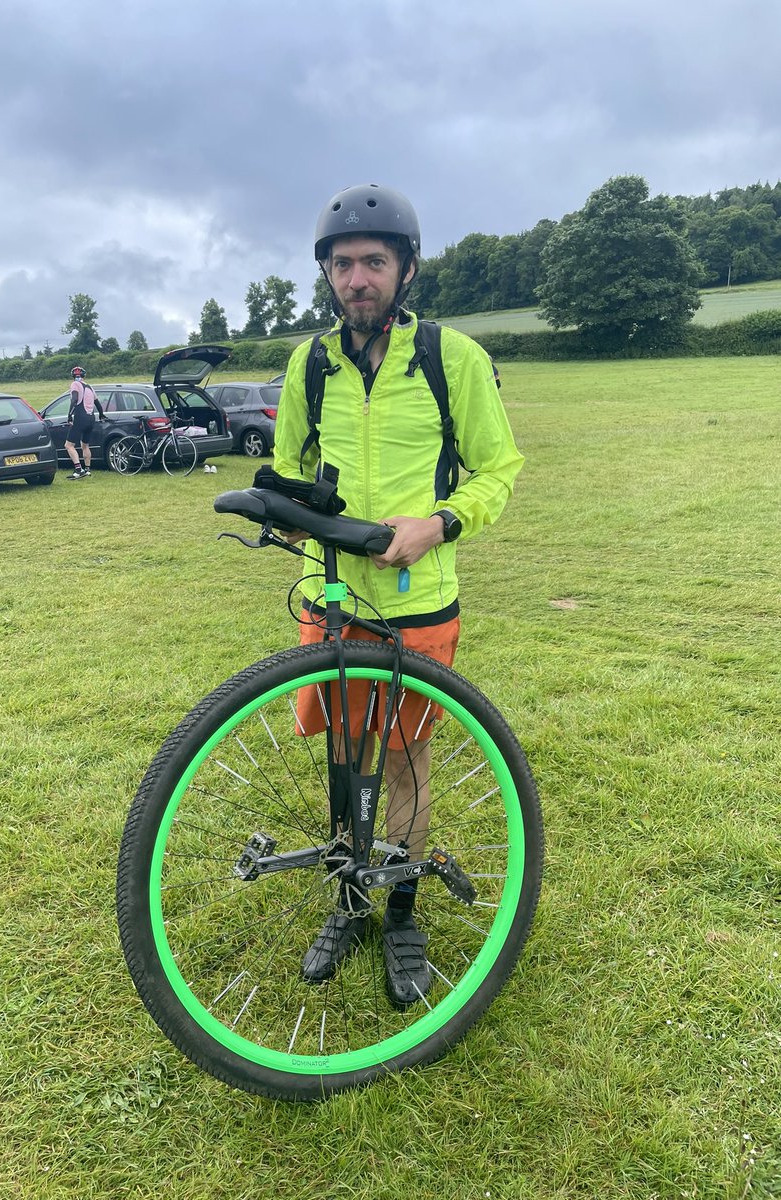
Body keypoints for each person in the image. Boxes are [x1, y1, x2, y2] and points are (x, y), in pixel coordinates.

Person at [272, 183, 525, 1008]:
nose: (357, 279)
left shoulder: (453, 360)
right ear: (328, 276)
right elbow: (292, 472)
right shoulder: (308, 365)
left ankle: (405, 905)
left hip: (420, 602)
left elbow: (498, 469)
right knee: (345, 760)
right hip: (334, 596)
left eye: (373, 262)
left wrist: (442, 522)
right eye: (342, 265)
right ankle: (349, 898)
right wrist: (294, 517)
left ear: (407, 269)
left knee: (409, 761)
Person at [65, 366, 105, 479]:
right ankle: (87, 469)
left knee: (68, 445)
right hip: (91, 418)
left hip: (80, 417)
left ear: (73, 376)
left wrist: (69, 415)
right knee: (85, 445)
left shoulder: (74, 385)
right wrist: (101, 414)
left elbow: (74, 399)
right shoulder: (89, 387)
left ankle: (78, 469)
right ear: (84, 376)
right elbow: (97, 403)